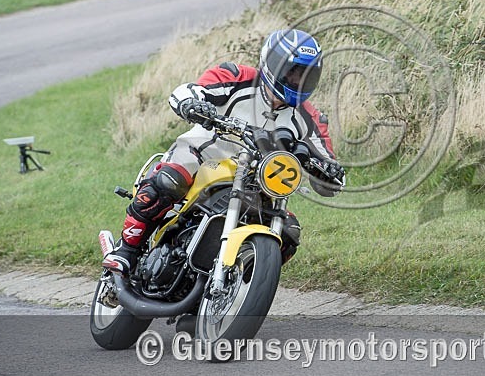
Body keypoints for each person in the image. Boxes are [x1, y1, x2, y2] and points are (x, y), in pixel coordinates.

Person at [102, 29, 345, 276]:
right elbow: (187, 91)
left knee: (288, 231)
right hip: (202, 155)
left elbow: (332, 171)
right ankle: (126, 250)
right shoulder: (236, 77)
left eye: (306, 75)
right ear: (273, 64)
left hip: (256, 183)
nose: (298, 80)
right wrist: (191, 104)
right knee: (169, 181)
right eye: (293, 71)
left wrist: (327, 170)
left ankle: (241, 282)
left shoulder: (310, 117)